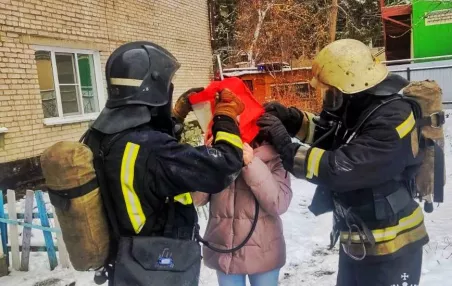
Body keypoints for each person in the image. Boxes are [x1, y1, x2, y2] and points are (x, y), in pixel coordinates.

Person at [257, 39, 429, 286]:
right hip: (362, 240)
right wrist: (291, 120)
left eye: (332, 91)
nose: (329, 97)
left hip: (392, 249)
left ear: (352, 85)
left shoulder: (393, 118)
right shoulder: (361, 106)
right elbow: (332, 135)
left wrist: (287, 147)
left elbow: (340, 167)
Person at [83, 41, 245, 284]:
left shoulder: (100, 136)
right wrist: (226, 117)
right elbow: (224, 165)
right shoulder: (151, 149)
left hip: (128, 263)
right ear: (153, 88)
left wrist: (176, 116)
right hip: (159, 267)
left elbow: (151, 159)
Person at [192, 131, 292, 286]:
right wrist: (208, 161)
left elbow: (279, 203)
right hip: (225, 251)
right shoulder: (220, 152)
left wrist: (252, 164)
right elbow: (197, 199)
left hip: (263, 252)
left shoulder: (274, 158)